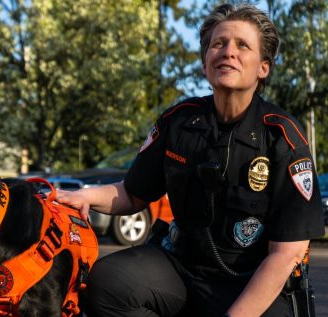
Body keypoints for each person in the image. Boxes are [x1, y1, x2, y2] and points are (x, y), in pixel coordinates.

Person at [55, 3, 325, 317]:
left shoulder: (282, 137)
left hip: (251, 280)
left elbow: (286, 254)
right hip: (182, 266)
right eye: (218, 44)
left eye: (242, 45)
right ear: (204, 63)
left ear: (263, 67)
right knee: (105, 284)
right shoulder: (178, 121)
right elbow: (131, 194)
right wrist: (80, 196)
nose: (228, 51)